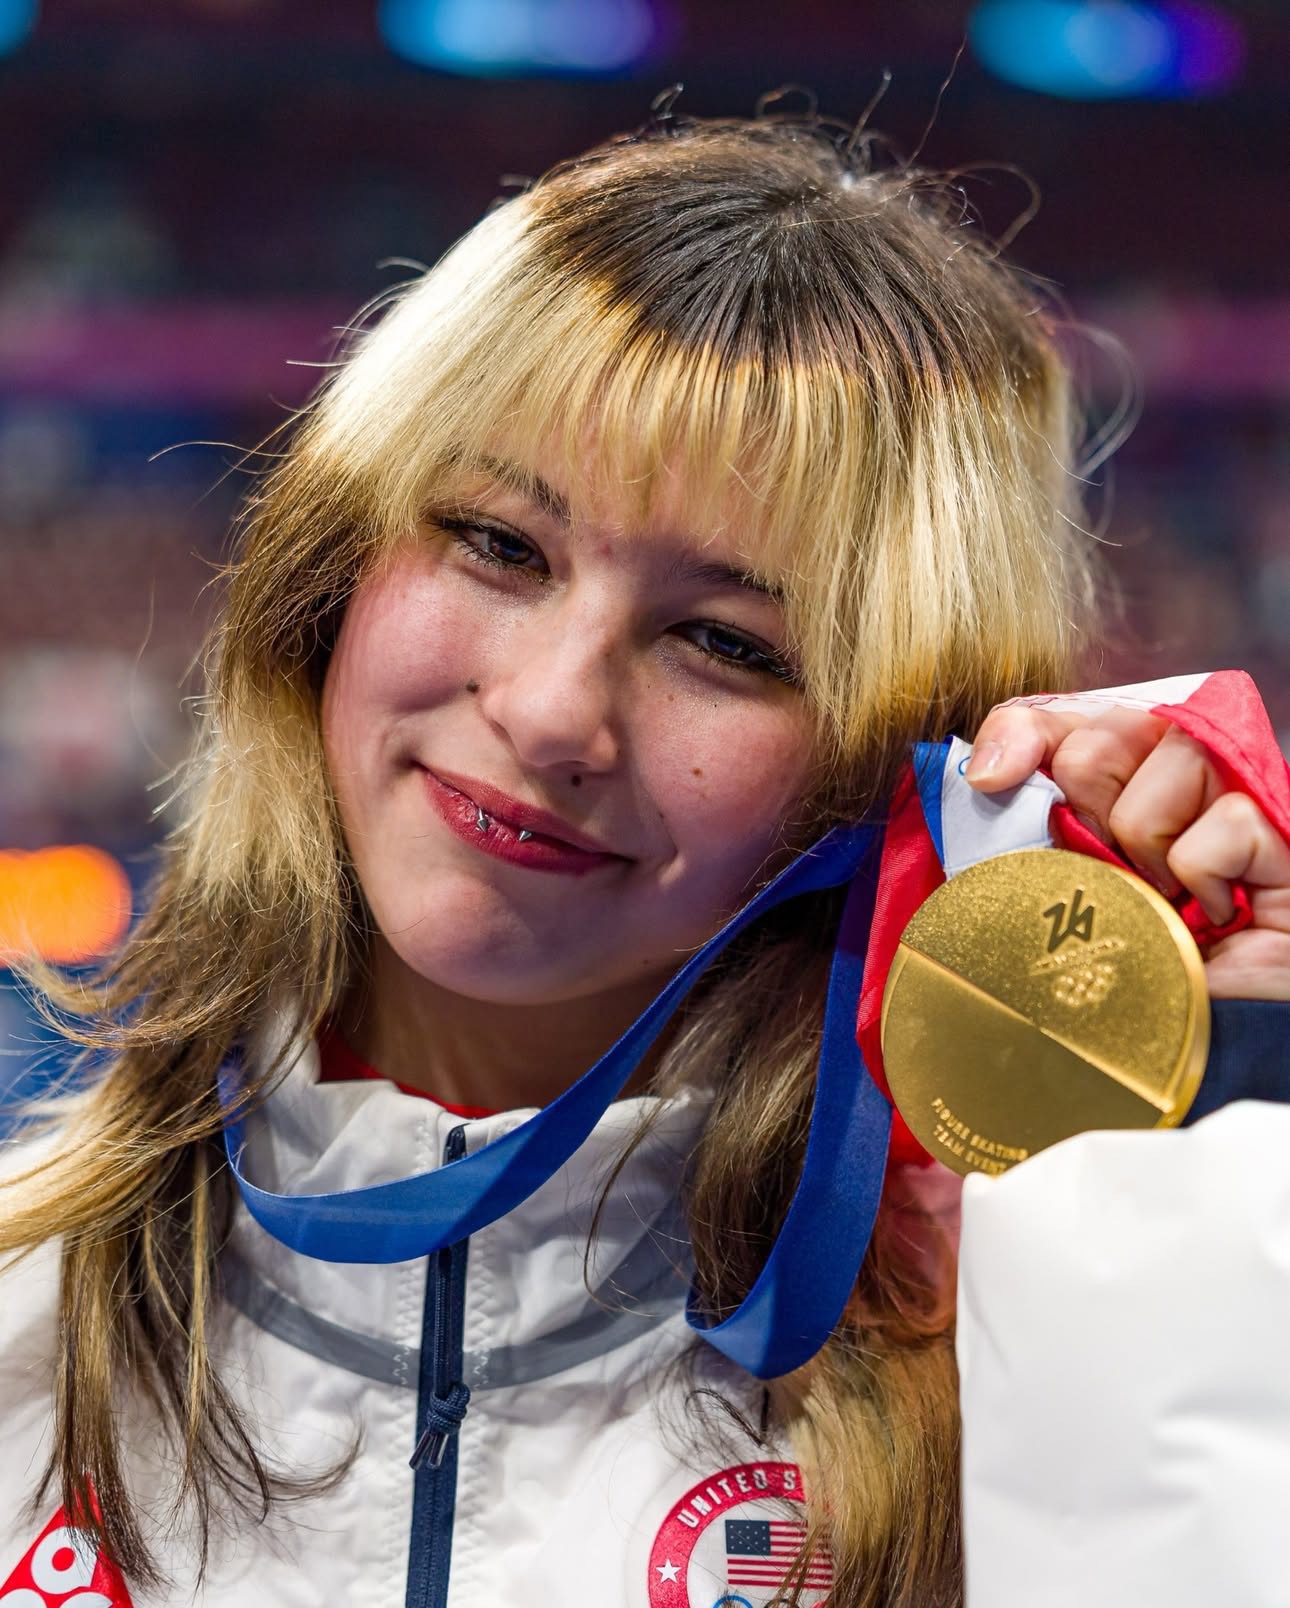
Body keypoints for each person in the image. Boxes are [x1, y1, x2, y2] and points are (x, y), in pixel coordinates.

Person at [1, 110, 1288, 1608]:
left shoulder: (1033, 1359)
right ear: (331, 563)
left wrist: (1219, 1164)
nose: (552, 711)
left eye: (726, 644)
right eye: (498, 544)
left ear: (894, 762)